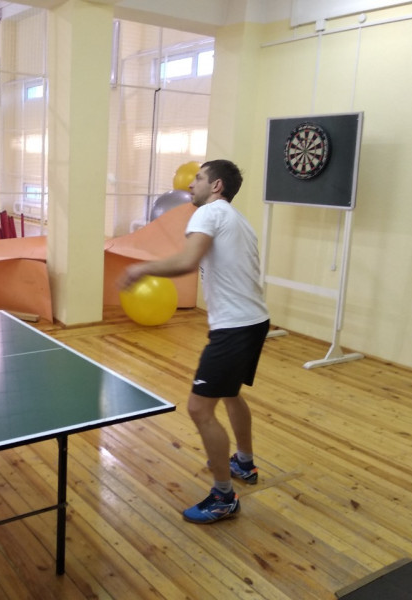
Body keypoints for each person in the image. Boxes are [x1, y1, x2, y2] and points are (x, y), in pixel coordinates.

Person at [118, 159, 270, 524]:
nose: (191, 184)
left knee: (200, 409)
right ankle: (244, 463)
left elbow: (188, 261)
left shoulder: (208, 213)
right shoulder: (238, 219)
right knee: (230, 393)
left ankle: (223, 497)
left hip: (234, 327)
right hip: (254, 320)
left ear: (216, 186)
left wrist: (141, 268)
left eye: (199, 178)